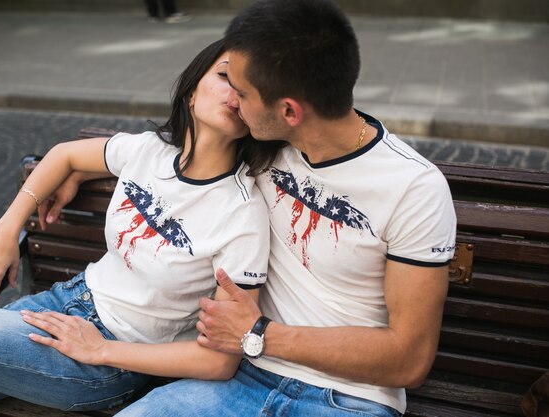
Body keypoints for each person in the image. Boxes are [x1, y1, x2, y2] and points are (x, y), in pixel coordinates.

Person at [98, 0, 454, 415]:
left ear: (289, 111)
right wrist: (61, 175)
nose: (234, 102)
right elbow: (150, 154)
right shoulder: (264, 149)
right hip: (241, 381)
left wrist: (258, 332)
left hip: (349, 400)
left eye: (243, 93)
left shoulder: (413, 188)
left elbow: (409, 358)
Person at [0, 38, 285, 417]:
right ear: (191, 92)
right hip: (61, 302)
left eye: (249, 89)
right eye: (226, 76)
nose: (236, 92)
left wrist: (102, 350)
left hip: (107, 359)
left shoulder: (241, 214)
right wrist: (6, 230)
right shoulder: (148, 151)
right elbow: (64, 155)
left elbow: (219, 362)